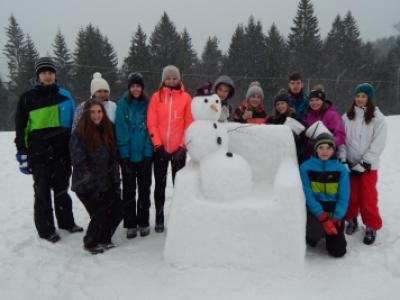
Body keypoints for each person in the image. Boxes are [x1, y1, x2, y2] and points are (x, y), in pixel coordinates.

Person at [14, 57, 82, 243]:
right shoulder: (27, 98)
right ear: (38, 76)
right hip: (39, 154)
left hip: (62, 153)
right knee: (42, 192)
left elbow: (74, 126)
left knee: (61, 190)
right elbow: (21, 128)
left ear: (55, 75)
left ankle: (67, 222)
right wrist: (22, 152)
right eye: (44, 73)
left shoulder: (66, 96)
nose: (48, 75)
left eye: (51, 72)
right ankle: (46, 230)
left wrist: (75, 150)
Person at [70, 99, 123, 254]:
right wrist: (92, 186)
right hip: (85, 184)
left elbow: (113, 160)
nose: (96, 115)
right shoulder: (79, 133)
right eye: (92, 112)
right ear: (87, 114)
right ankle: (91, 242)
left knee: (118, 209)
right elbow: (78, 161)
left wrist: (115, 184)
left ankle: (105, 238)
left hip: (106, 182)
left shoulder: (109, 129)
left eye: (99, 111)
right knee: (100, 212)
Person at [339, 83, 387, 245]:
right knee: (351, 196)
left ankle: (371, 226)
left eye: (364, 96)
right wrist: (344, 159)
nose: (360, 99)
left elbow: (378, 144)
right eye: (358, 96)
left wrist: (365, 162)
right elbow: (342, 140)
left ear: (369, 98)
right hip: (351, 165)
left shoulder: (378, 118)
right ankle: (351, 219)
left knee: (368, 198)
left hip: (368, 167)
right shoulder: (347, 117)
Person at [147, 65, 193, 233]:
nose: (172, 81)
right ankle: (159, 218)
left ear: (179, 79)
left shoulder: (186, 98)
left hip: (178, 150)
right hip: (160, 149)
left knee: (179, 186)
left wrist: (182, 147)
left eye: (175, 78)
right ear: (163, 79)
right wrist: (158, 145)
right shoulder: (156, 97)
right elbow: (151, 123)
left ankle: (179, 218)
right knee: (159, 185)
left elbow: (189, 124)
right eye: (168, 78)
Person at [115, 73, 153, 239]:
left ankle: (143, 222)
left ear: (142, 88)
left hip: (144, 155)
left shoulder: (148, 103)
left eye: (138, 86)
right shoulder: (123, 104)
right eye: (133, 86)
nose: (136, 88)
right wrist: (124, 155)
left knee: (144, 190)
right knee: (129, 191)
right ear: (129, 88)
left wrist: (147, 153)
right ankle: (130, 224)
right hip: (128, 157)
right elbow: (121, 131)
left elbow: (151, 128)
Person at [300, 133, 350, 257]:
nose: (324, 151)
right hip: (315, 213)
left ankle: (327, 233)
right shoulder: (305, 168)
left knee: (338, 252)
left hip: (334, 214)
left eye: (328, 148)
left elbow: (344, 197)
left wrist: (336, 217)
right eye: (321, 147)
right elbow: (308, 195)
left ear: (333, 149)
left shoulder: (341, 169)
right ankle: (314, 234)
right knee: (314, 234)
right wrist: (322, 217)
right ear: (315, 149)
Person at [303, 89, 345, 161]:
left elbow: (340, 135)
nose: (314, 102)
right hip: (311, 156)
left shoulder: (331, 115)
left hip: (327, 155)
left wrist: (329, 142)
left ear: (323, 101)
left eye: (317, 100)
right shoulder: (308, 115)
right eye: (311, 100)